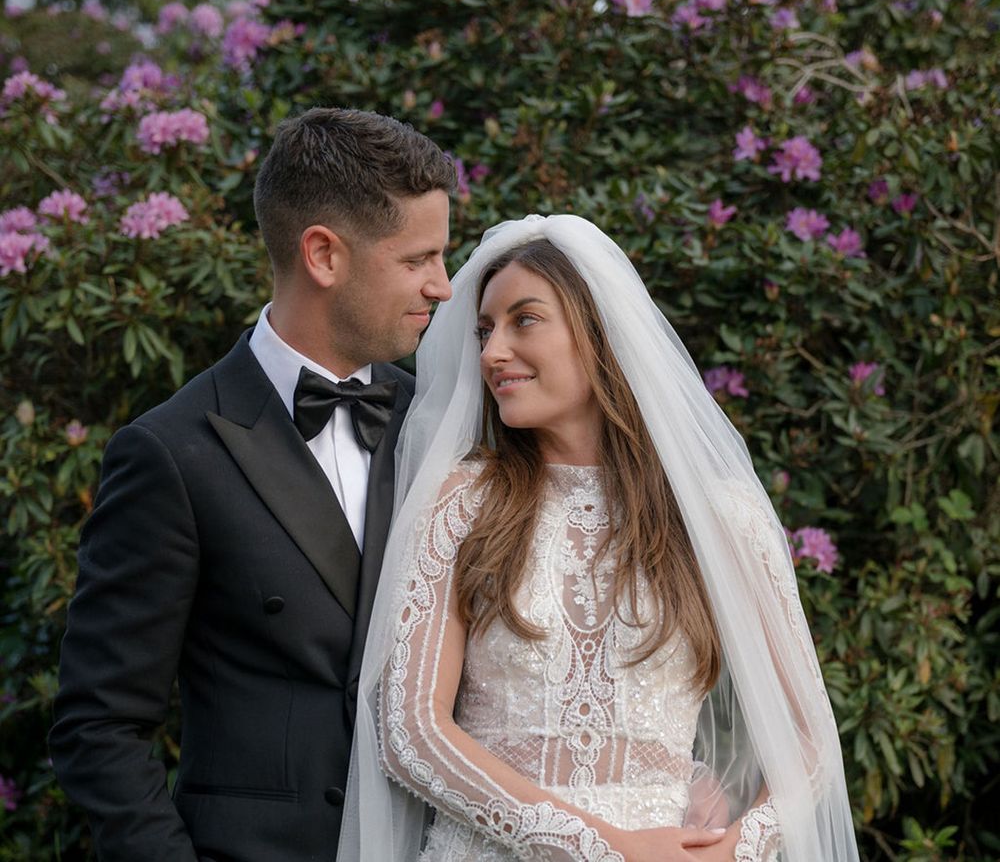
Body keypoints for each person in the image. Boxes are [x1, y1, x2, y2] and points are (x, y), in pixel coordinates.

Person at [339, 214, 860, 862]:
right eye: (484, 330)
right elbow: (413, 732)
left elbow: (810, 740)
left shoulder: (718, 518)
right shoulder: (463, 500)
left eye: (523, 319)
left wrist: (735, 848)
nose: (493, 352)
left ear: (600, 332)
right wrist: (601, 847)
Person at [49, 107, 455, 862]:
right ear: (324, 255)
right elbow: (99, 725)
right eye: (417, 259)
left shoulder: (438, 425)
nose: (444, 286)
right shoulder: (171, 452)